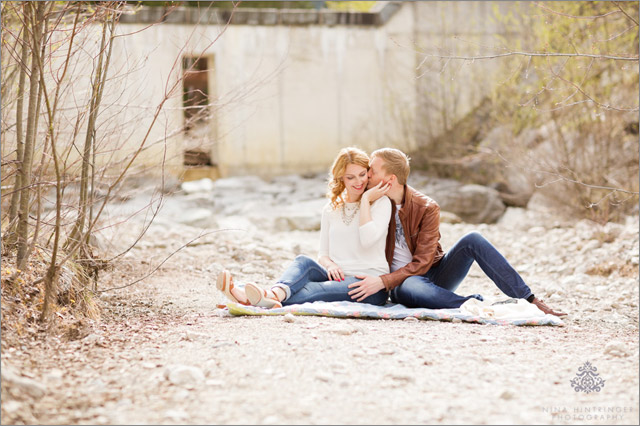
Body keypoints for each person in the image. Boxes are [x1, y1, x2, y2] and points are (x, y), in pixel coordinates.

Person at [346, 147, 567, 317]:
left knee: (472, 239)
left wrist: (383, 280)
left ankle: (529, 300)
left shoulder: (426, 207)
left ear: (390, 179)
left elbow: (423, 262)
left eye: (372, 172)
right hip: (401, 284)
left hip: (431, 274)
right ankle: (475, 304)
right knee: (412, 284)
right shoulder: (371, 203)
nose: (366, 177)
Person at [216, 147, 392, 309]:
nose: (358, 182)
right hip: (338, 276)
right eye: (350, 177)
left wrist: (365, 201)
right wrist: (330, 265)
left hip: (369, 285)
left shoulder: (380, 203)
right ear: (341, 178)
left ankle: (252, 299)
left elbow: (368, 241)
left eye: (362, 174)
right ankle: (270, 295)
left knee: (315, 288)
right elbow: (323, 254)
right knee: (303, 261)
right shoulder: (331, 209)